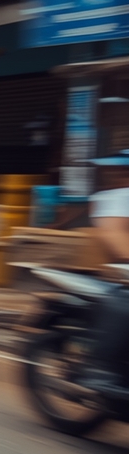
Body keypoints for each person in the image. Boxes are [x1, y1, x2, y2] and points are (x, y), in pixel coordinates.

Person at [79, 152, 129, 401]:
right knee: (125, 302)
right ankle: (100, 371)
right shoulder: (117, 197)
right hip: (118, 269)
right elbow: (113, 235)